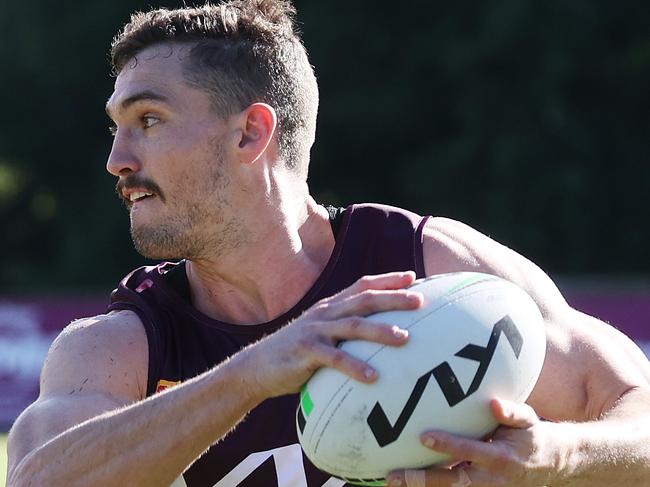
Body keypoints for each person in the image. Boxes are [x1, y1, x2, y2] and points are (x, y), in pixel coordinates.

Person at [6, 1, 650, 486]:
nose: (117, 160)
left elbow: (633, 407)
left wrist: (554, 457)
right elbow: (37, 478)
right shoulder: (125, 342)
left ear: (250, 134)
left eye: (148, 120)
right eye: (116, 127)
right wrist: (252, 374)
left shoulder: (430, 268)